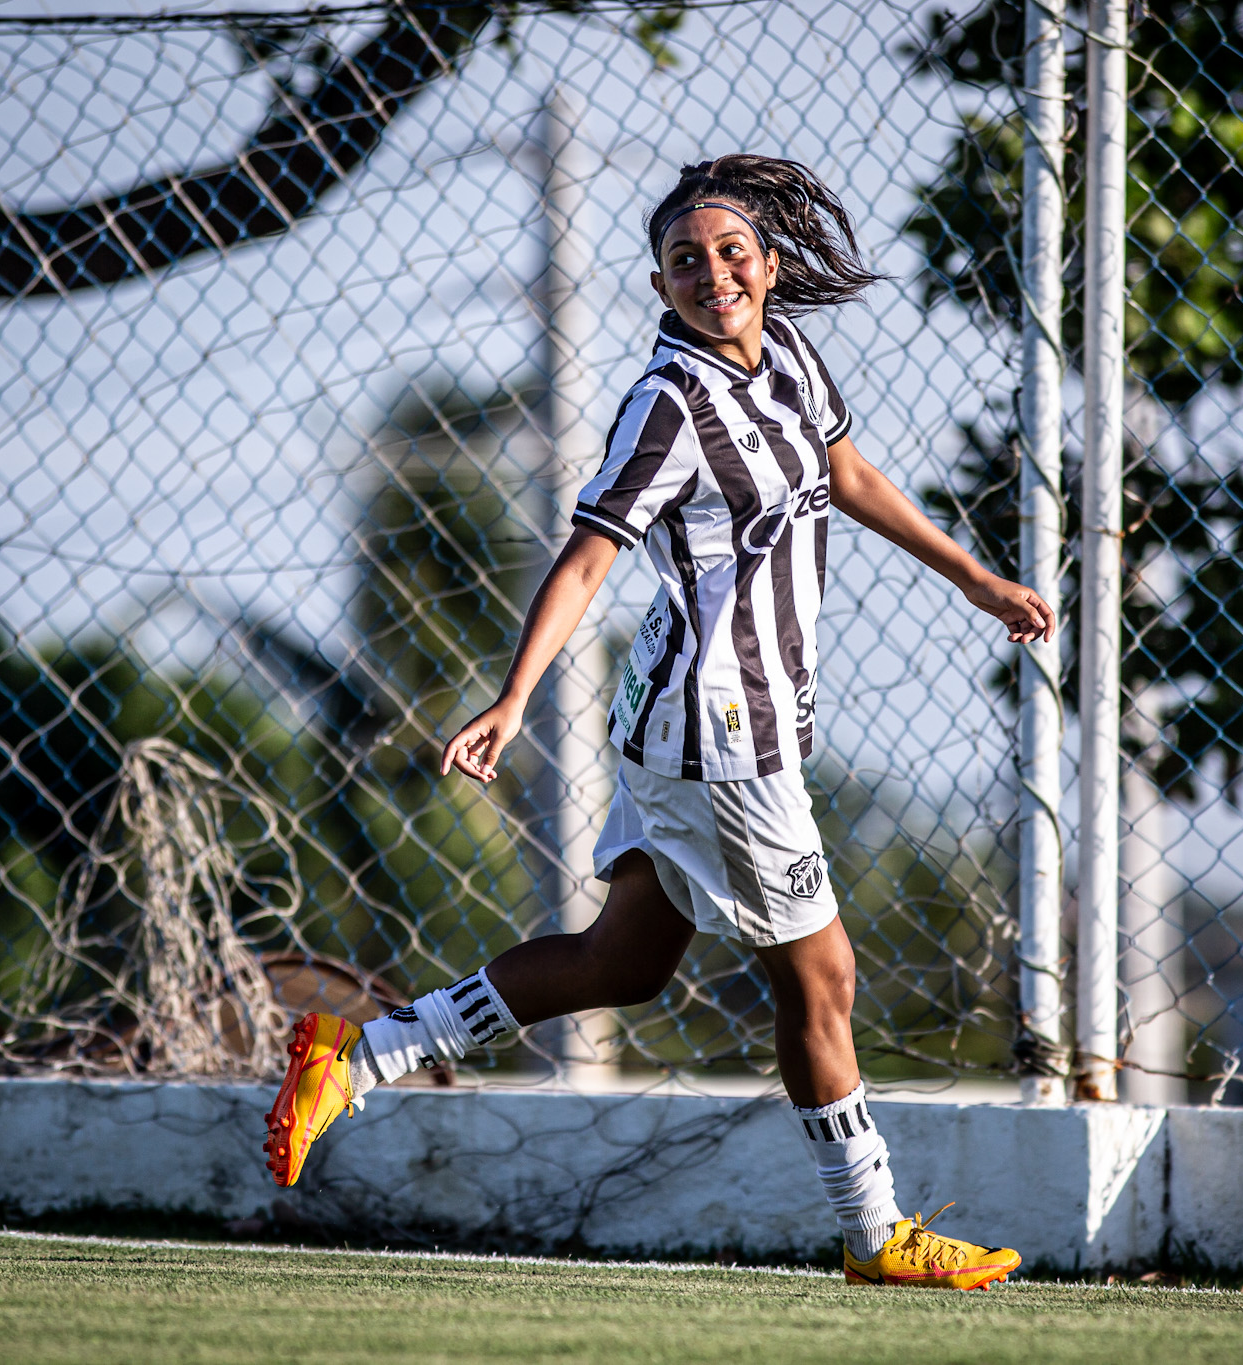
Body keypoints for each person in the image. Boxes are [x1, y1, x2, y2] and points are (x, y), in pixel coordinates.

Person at [265, 154, 1054, 1291]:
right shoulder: (667, 402)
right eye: (686, 261)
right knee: (821, 977)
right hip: (716, 728)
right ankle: (876, 1232)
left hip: (697, 718)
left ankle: (357, 1054)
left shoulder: (788, 356)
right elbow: (587, 559)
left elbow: (847, 472)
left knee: (623, 960)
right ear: (660, 285)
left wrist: (972, 577)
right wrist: (514, 697)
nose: (712, 273)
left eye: (731, 254)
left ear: (768, 266)